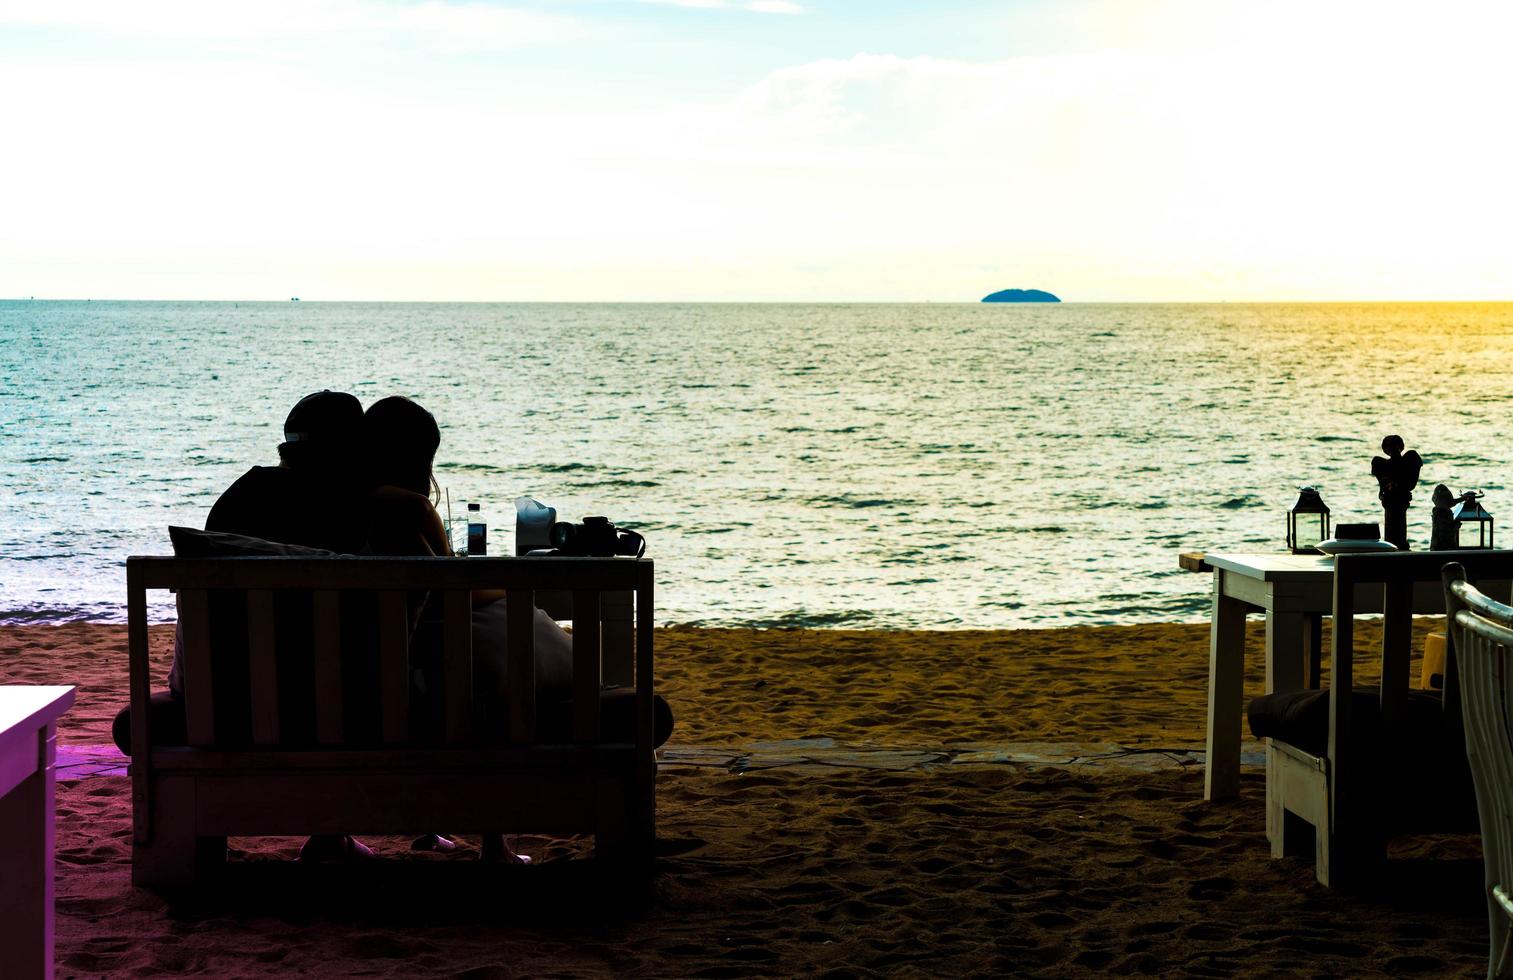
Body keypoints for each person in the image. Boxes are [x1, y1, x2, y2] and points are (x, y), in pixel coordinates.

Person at [358, 396, 675, 861]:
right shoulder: (406, 514)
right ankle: (497, 843)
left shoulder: (337, 516)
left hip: (368, 694)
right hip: (426, 705)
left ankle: (446, 834)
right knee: (637, 710)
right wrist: (499, 586)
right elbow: (450, 587)